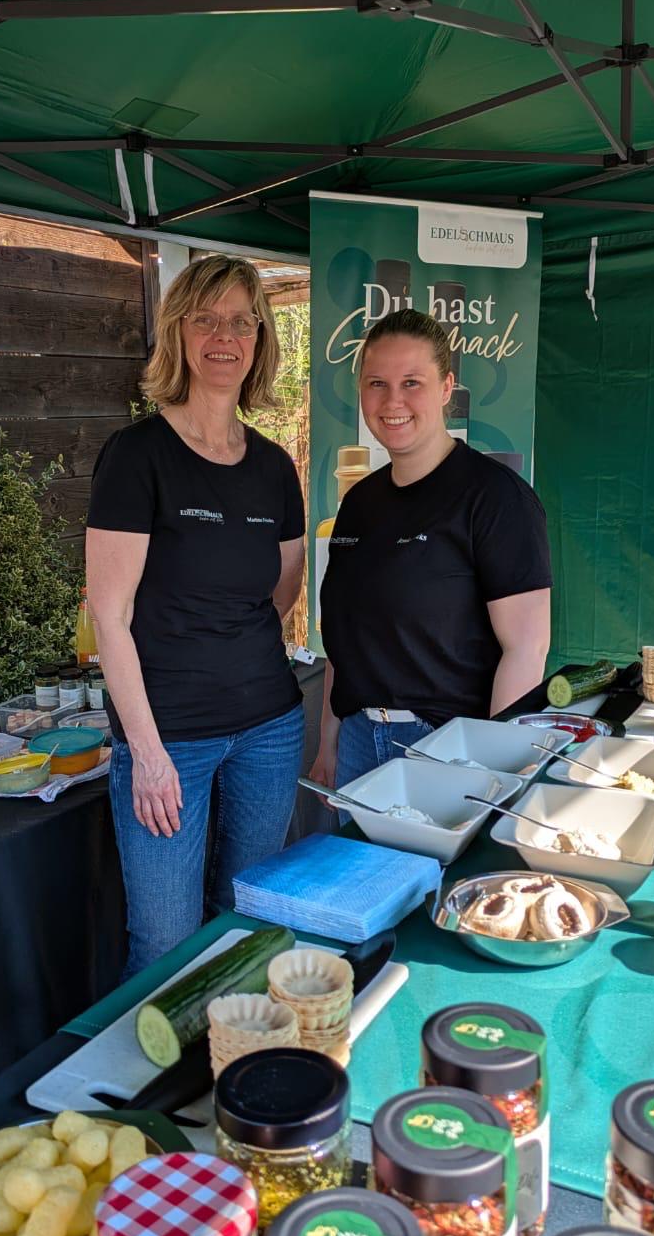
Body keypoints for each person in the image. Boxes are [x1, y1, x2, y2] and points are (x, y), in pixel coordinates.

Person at [86, 255, 305, 976]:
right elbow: (108, 616)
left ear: (260, 339)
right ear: (176, 333)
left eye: (242, 321)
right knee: (164, 943)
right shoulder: (136, 456)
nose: (224, 336)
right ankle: (154, 1088)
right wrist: (145, 754)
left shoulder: (274, 466)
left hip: (269, 727)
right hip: (169, 738)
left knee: (250, 920)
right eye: (205, 319)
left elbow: (281, 592)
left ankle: (232, 1069)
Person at [314, 306, 552, 791]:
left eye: (412, 382)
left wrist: (493, 766)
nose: (392, 400)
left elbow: (527, 647)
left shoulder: (495, 498)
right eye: (377, 383)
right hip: (359, 742)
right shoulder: (359, 502)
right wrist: (328, 744)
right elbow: (345, 639)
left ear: (446, 388)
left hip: (448, 746)